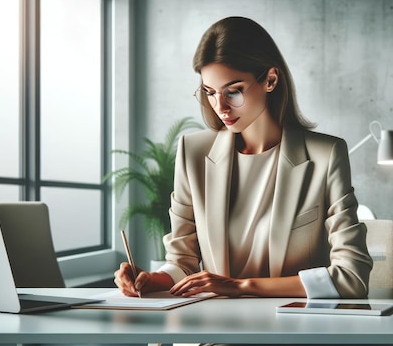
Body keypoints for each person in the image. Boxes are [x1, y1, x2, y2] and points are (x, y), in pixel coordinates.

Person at [114, 16, 372, 300]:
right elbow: (182, 264)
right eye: (210, 93)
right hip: (214, 330)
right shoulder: (194, 152)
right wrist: (152, 279)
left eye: (233, 91)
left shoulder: (326, 156)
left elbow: (352, 277)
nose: (220, 106)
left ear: (270, 80)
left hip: (292, 331)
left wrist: (242, 286)